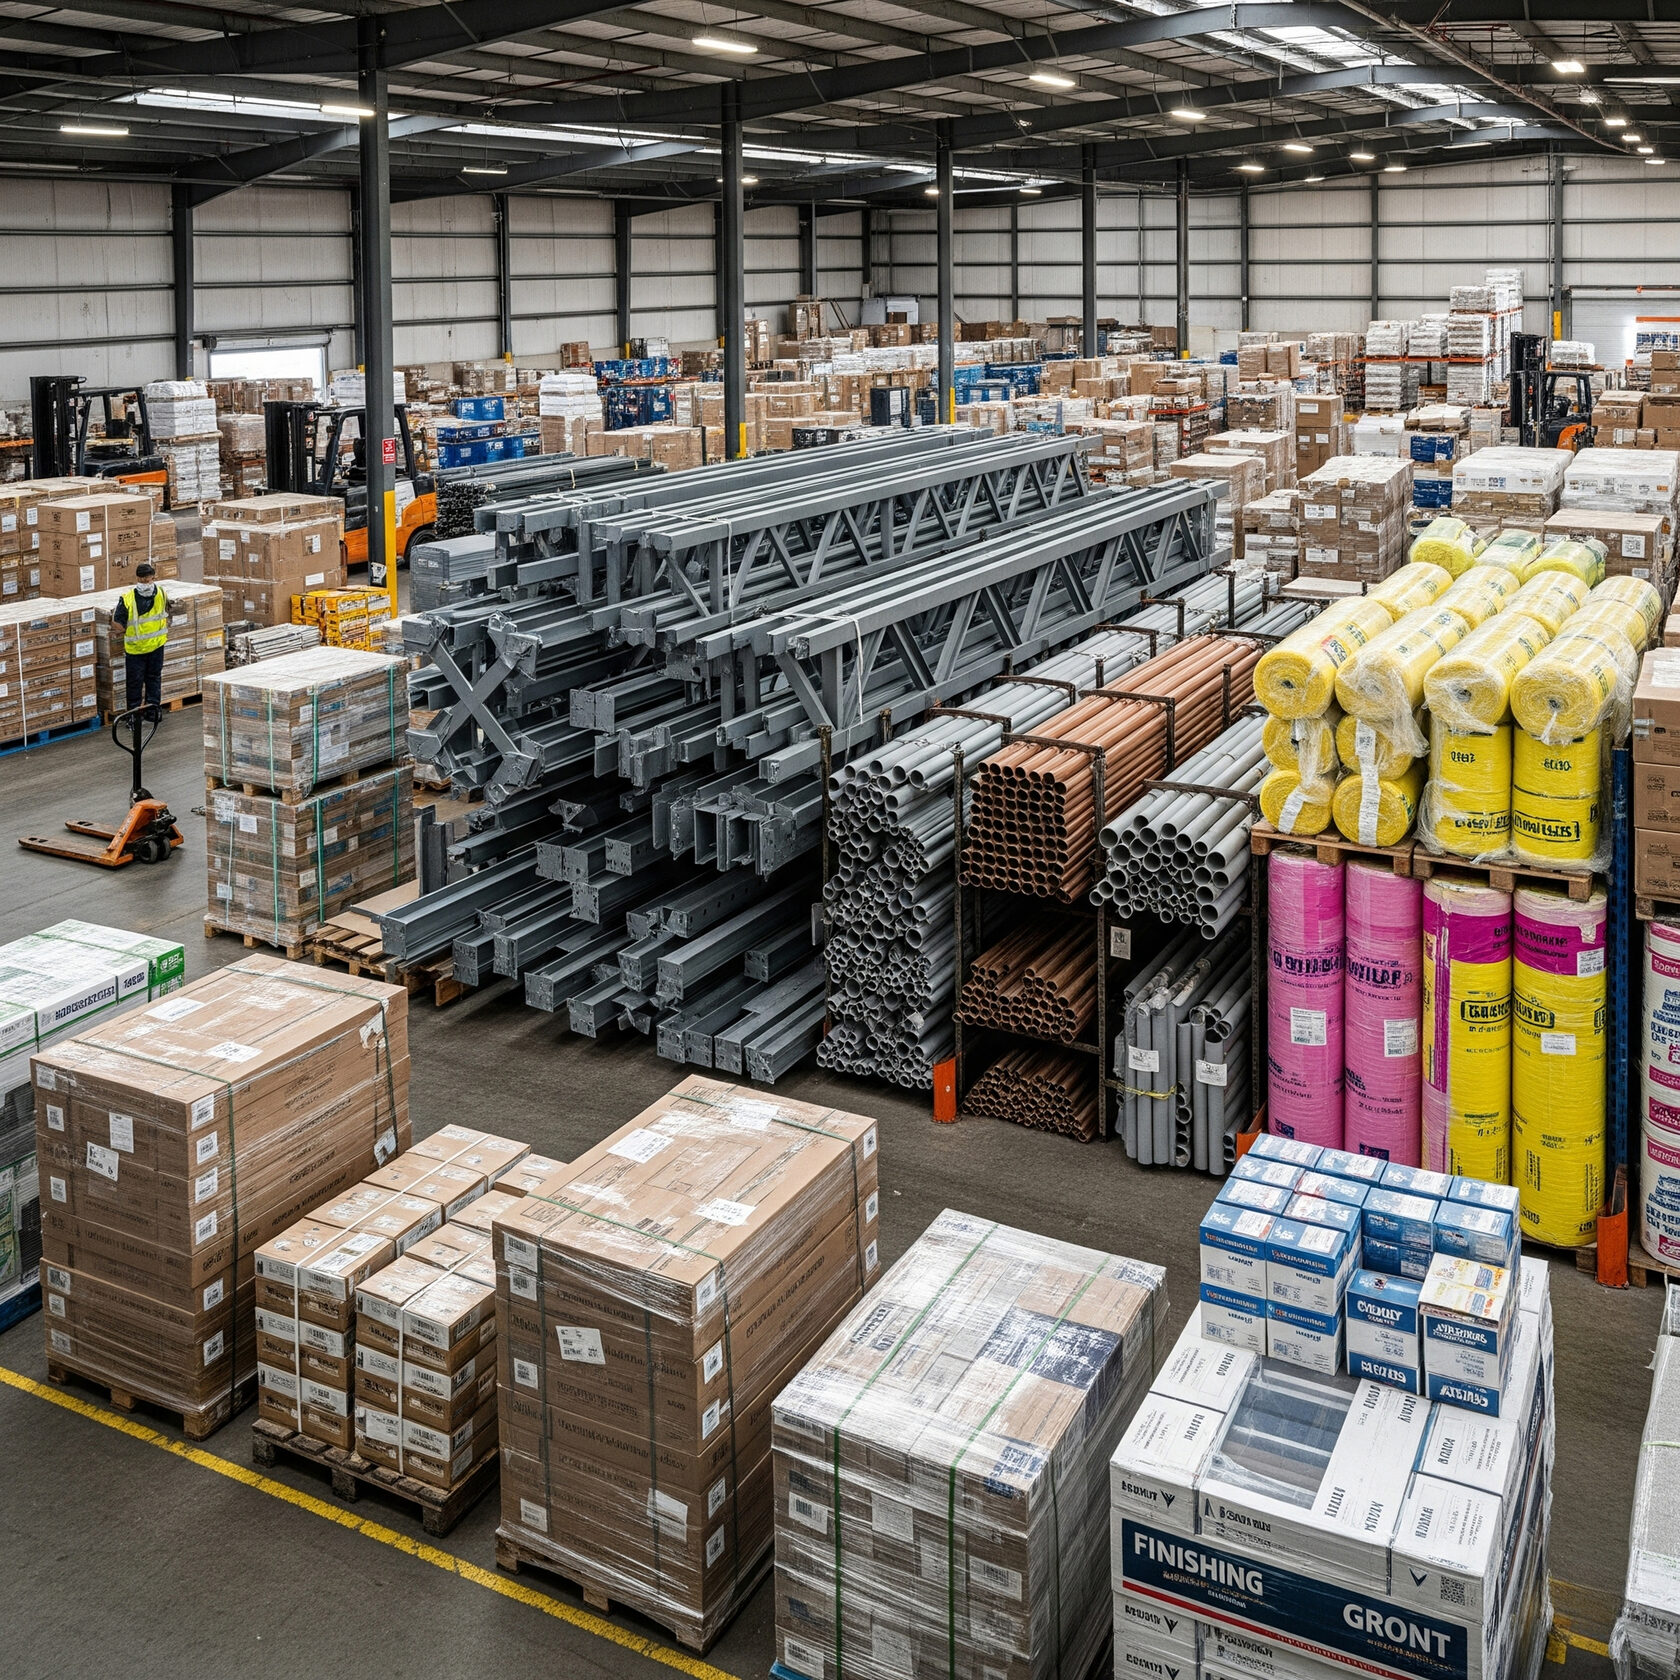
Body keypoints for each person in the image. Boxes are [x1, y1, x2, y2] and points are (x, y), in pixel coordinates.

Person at [113, 561, 174, 718]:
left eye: (147, 579)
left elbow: (167, 613)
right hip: (136, 649)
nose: (145, 583)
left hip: (156, 646)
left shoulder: (161, 593)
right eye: (142, 580)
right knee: (135, 683)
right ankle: (134, 715)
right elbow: (117, 623)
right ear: (137, 579)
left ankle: (152, 711)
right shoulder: (128, 599)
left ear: (153, 577)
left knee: (153, 679)